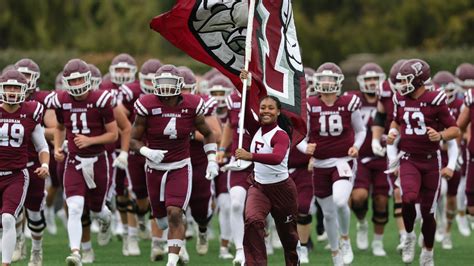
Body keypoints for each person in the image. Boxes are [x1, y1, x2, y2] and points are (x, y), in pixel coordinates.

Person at [130, 64, 218, 266]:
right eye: (163, 83)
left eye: (171, 83)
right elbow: (133, 140)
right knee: (162, 221)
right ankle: (175, 242)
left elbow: (209, 133)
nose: (167, 88)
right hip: (154, 168)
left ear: (180, 85)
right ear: (155, 84)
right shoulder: (147, 104)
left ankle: (172, 261)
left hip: (180, 166)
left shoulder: (192, 104)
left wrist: (212, 159)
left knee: (175, 213)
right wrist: (147, 151)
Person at [387, 59, 460, 265]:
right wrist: (393, 130)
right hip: (408, 158)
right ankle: (409, 236)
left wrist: (441, 136)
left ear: (419, 80)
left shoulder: (435, 98)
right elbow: (396, 120)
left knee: (428, 212)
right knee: (408, 198)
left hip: (430, 161)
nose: (402, 85)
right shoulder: (399, 98)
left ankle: (428, 252)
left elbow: (455, 129)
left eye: (406, 80)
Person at [51, 59, 118, 265]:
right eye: (73, 81)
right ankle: (76, 252)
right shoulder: (61, 100)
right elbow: (60, 127)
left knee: (98, 210)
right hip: (74, 161)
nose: (78, 85)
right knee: (75, 206)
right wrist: (56, 147)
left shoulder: (101, 99)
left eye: (81, 79)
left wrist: (90, 140)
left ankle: (107, 220)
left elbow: (113, 135)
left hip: (98, 160)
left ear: (88, 79)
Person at [300, 62, 366, 266]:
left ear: (338, 82)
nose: (326, 83)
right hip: (320, 164)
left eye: (330, 79)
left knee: (339, 201)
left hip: (342, 161)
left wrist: (356, 146)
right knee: (328, 214)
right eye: (323, 79)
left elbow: (361, 130)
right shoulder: (311, 104)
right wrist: (304, 148)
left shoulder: (348, 102)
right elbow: (301, 135)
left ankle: (345, 239)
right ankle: (336, 253)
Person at [235, 95, 299, 266]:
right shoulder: (255, 127)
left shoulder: (281, 135)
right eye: (263, 107)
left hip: (282, 189)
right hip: (259, 187)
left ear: (278, 112)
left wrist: (250, 156)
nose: (266, 111)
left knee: (289, 238)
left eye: (271, 108)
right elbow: (245, 110)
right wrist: (247, 87)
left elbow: (277, 157)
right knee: (252, 221)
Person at [0, 69, 50, 266]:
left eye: (16, 87)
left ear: (25, 89)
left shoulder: (31, 111)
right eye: (8, 87)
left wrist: (45, 164)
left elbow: (42, 146)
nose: (12, 91)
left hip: (16, 175)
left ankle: (6, 263)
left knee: (8, 219)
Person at [349, 62, 390, 256]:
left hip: (384, 158)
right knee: (358, 197)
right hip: (361, 157)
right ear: (361, 81)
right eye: (368, 79)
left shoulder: (389, 99)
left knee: (381, 200)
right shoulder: (353, 100)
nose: (372, 82)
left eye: (375, 78)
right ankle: (362, 223)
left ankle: (378, 242)